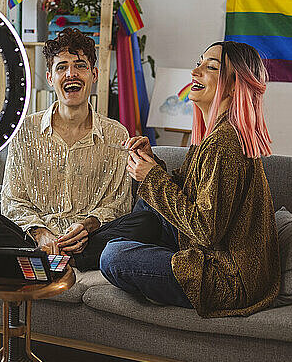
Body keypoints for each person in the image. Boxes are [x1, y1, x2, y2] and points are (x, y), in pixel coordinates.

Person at [99, 41, 281, 318]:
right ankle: (88, 247)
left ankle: (86, 251)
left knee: (113, 257)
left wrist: (152, 178)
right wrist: (153, 164)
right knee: (149, 206)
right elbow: (183, 192)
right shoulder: (211, 137)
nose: (196, 71)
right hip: (208, 251)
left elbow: (206, 230)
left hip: (228, 279)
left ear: (233, 86)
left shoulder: (224, 145)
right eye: (199, 62)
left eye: (211, 67)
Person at [0, 28, 160, 271]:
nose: (71, 74)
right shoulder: (25, 130)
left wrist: (86, 227)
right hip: (33, 240)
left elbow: (117, 204)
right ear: (49, 77)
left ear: (94, 74)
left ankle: (57, 261)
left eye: (80, 66)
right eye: (62, 67)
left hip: (89, 242)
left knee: (147, 222)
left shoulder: (116, 134)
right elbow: (13, 200)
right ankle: (42, 256)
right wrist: (40, 233)